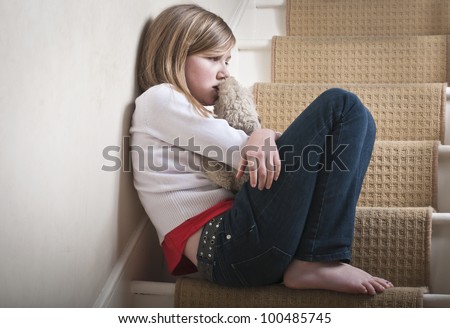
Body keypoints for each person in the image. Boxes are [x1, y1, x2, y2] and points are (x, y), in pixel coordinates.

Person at [130, 4, 394, 295]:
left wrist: (262, 134)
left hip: (243, 245)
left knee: (363, 121)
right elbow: (245, 150)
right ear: (176, 55)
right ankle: (320, 257)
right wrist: (260, 135)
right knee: (342, 106)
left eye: (227, 62)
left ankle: (313, 256)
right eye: (213, 58)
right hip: (229, 246)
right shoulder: (160, 99)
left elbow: (255, 150)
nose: (224, 74)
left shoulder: (190, 115)